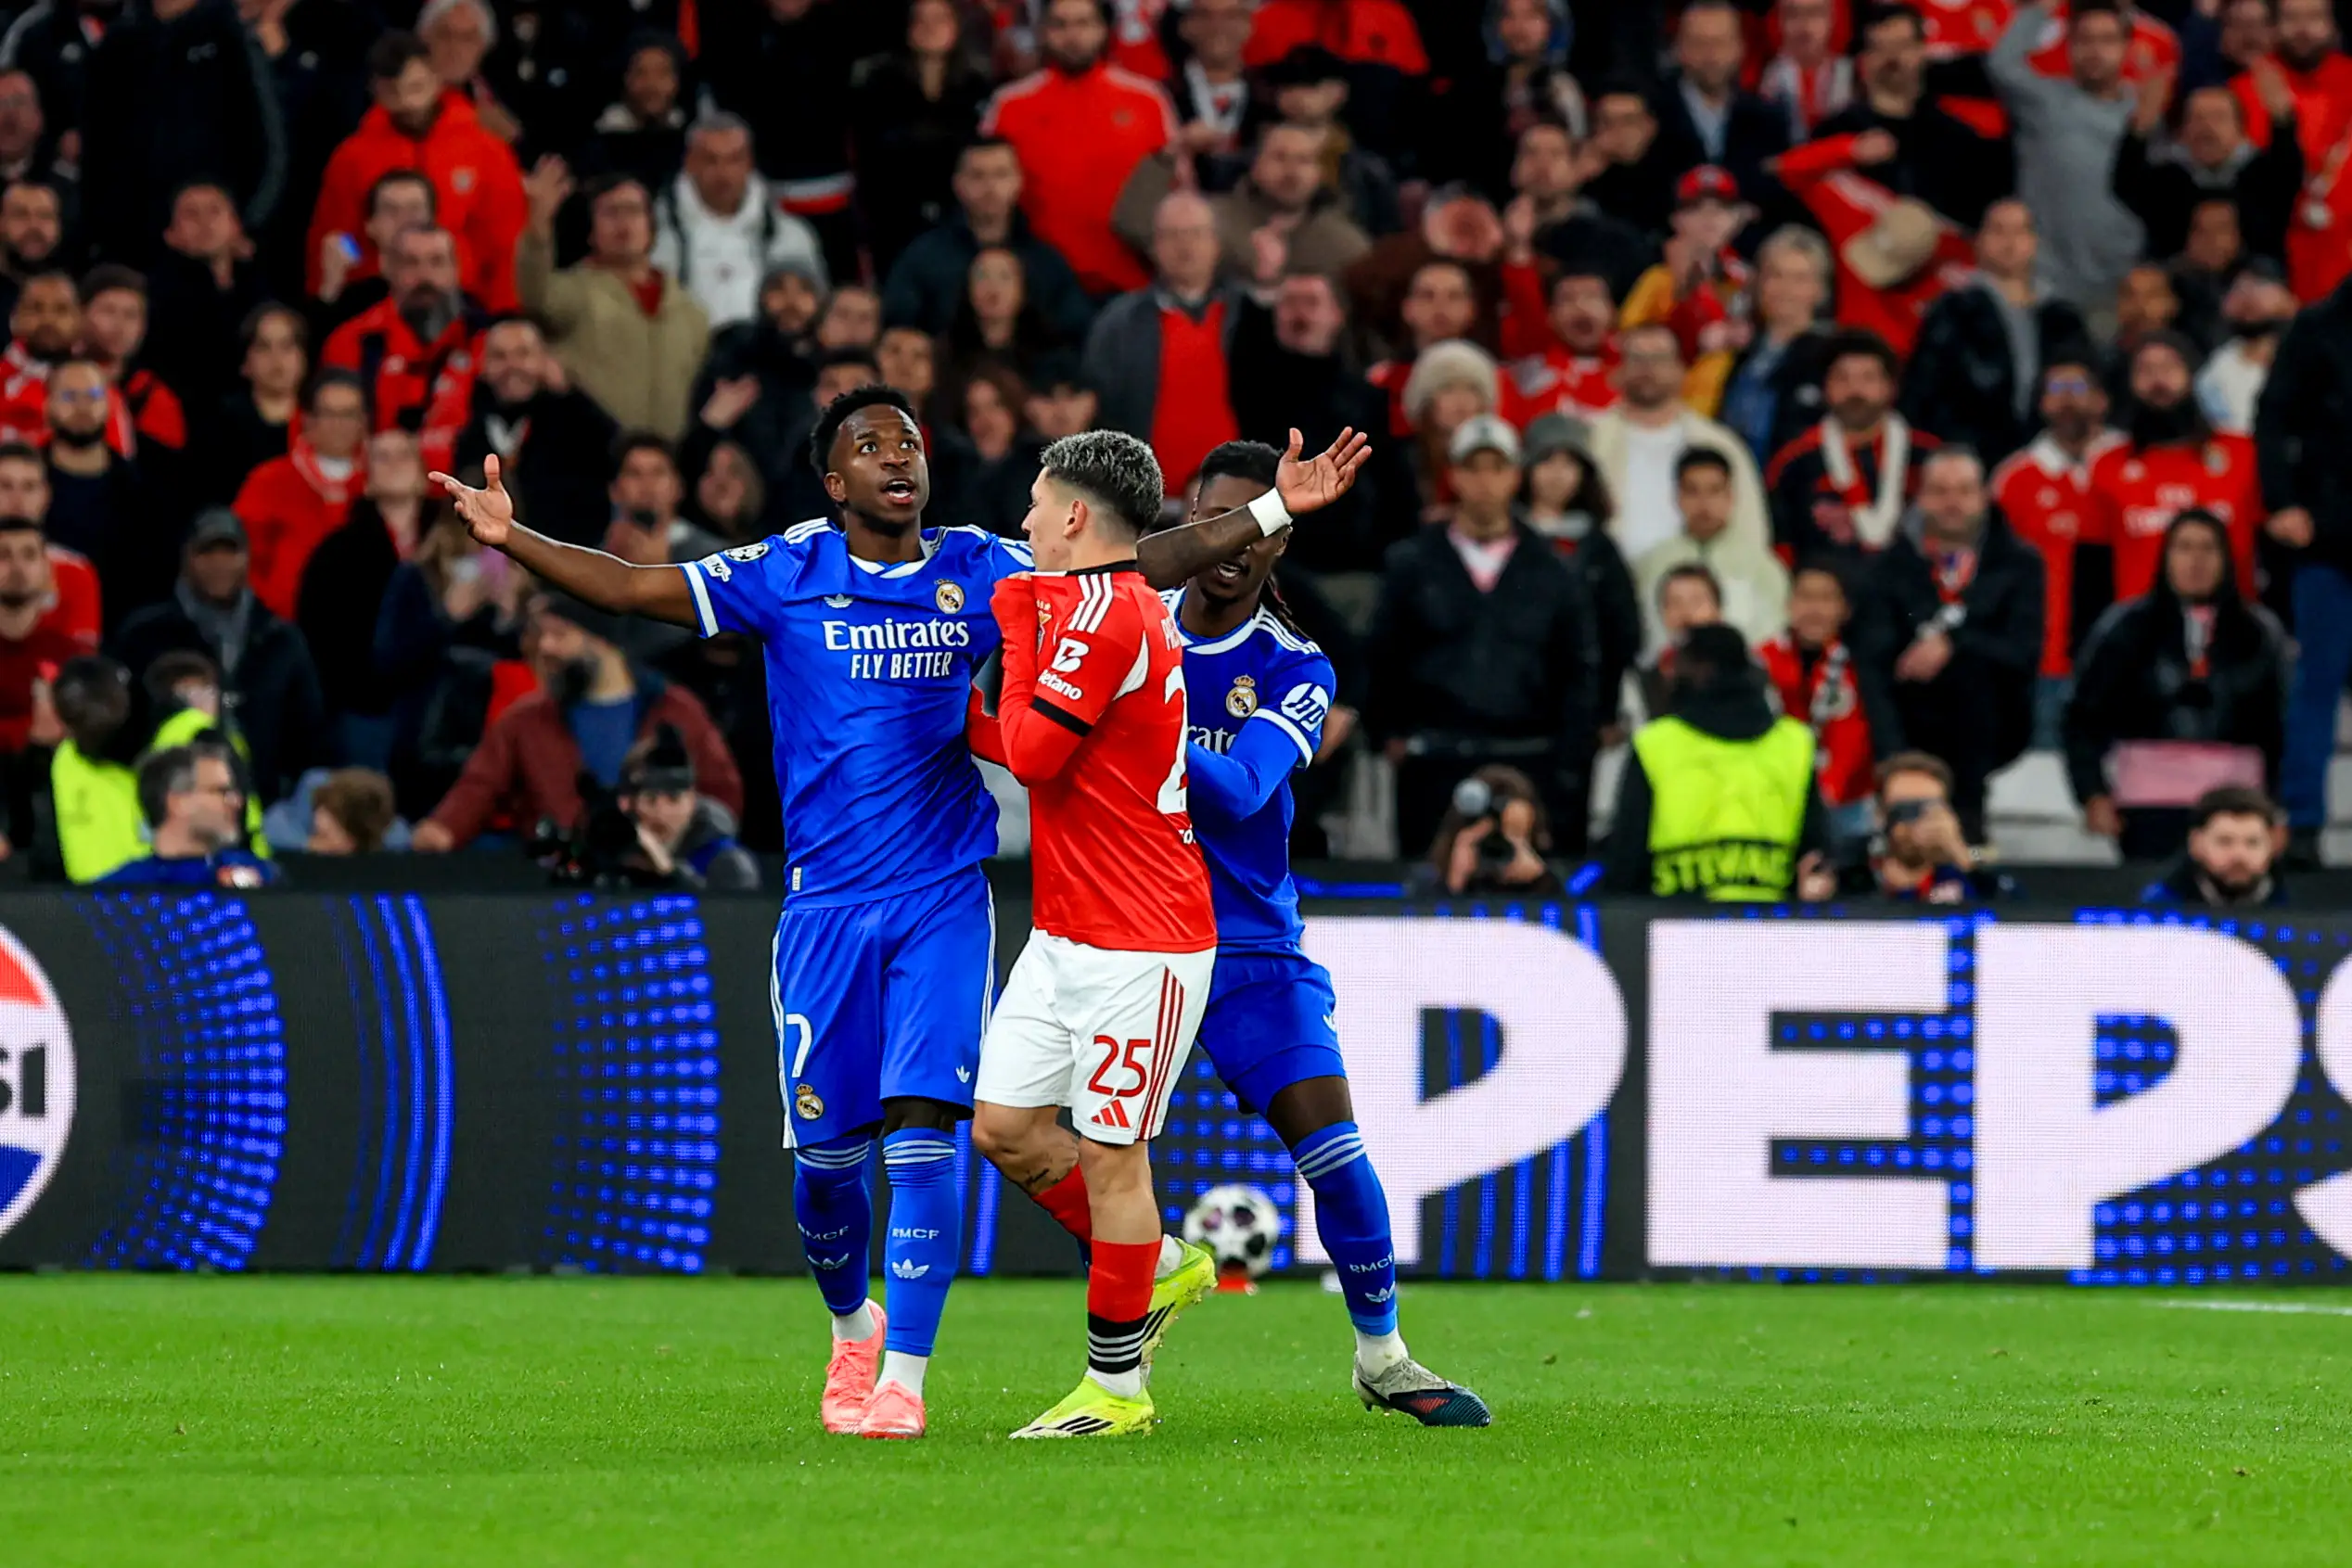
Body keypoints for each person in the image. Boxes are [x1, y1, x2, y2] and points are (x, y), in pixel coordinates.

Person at [427, 380, 1367, 1440]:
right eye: (870, 444)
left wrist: (1274, 511)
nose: (897, 455)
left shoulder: (978, 563)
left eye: (909, 439)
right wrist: (515, 539)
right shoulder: (786, 571)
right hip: (825, 907)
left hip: (941, 897)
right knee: (829, 1173)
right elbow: (636, 586)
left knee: (926, 1140)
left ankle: (905, 1383)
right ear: (835, 482)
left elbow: (1128, 561)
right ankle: (853, 1324)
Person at [1070, 436, 1488, 1419]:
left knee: (1334, 1148)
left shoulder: (1294, 665)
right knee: (1032, 1137)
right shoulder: (1126, 619)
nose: (1227, 542)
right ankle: (1133, 1330)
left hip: (1247, 946)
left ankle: (1382, 1355)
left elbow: (1244, 787)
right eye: (1210, 517)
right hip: (1125, 936)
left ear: (1278, 542)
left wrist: (1134, 714)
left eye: (1251, 524)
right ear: (1184, 522)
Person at [957, 429, 1227, 1440]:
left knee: (1117, 1162)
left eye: (1035, 502)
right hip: (1067, 928)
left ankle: (1115, 1389)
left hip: (1142, 939)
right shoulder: (1089, 607)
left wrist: (1017, 631)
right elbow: (1025, 744)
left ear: (1075, 515)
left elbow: (1028, 754)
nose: (1023, 521)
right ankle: (1156, 1263)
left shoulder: (1104, 615)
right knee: (1005, 1126)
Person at [1367, 414, 1598, 855]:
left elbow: (1577, 671)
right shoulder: (1412, 563)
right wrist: (1388, 734)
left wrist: (1570, 763)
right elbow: (1382, 655)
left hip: (1530, 759)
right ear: (1454, 475)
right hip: (1432, 760)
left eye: (1497, 468)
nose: (1485, 482)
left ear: (1516, 476)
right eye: (1473, 468)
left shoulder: (1554, 570)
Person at [2066, 508, 2288, 860]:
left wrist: (2278, 807)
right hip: (2147, 803)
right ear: (2166, 556)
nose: (2196, 561)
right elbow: (2082, 718)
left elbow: (2280, 729)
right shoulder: (2124, 627)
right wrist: (2092, 794)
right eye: (2184, 548)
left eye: (2208, 549)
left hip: (2239, 808)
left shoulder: (2261, 633)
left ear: (2227, 558)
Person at [1854, 447, 2047, 841]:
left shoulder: (2020, 564)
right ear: (1920, 497)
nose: (1952, 503)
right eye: (1939, 491)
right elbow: (1873, 663)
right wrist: (1893, 758)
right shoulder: (1887, 568)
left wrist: (1954, 643)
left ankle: (1971, 849)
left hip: (1992, 731)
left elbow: (2023, 653)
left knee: (1971, 672)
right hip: (1910, 728)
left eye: (1963, 491)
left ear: (1983, 497)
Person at [1602, 621, 1835, 902]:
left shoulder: (1655, 744)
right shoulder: (1794, 743)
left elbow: (1627, 858)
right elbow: (1816, 855)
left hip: (1672, 926)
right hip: (1771, 927)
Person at [109, 507, 326, 808]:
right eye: (207, 553)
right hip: (170, 804)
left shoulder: (281, 640)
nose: (219, 564)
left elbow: (309, 732)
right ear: (187, 557)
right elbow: (122, 722)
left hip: (266, 805)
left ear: (247, 558)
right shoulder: (145, 636)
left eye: (230, 552)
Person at [307, 32, 525, 313]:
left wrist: (504, 312)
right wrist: (359, 264)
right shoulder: (353, 157)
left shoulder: (486, 151)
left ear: (435, 79)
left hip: (464, 299)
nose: (408, 103)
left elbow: (505, 241)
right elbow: (338, 236)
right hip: (376, 298)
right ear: (376, 90)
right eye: (394, 92)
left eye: (416, 87)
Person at [980, 0, 1178, 298]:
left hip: (1133, 286)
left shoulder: (1148, 101)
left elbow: (1178, 194)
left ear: (1103, 30)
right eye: (1060, 25)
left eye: (1084, 23)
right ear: (1043, 31)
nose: (1072, 36)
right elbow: (984, 192)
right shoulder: (1009, 106)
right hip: (1036, 290)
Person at [2259, 268, 2352, 857]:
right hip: (2330, 537)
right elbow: (2272, 418)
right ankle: (2302, 821)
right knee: (2316, 680)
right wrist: (2282, 502)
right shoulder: (2318, 325)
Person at [517, 160, 709, 440]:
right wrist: (538, 225)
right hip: (593, 459)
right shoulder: (573, 292)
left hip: (669, 465)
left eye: (633, 211)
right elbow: (534, 295)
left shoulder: (691, 311)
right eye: (610, 213)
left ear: (651, 226)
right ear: (591, 230)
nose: (624, 223)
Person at [1991, 356, 2128, 736]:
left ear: (2103, 400)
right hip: (2044, 662)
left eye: (2078, 388)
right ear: (2040, 404)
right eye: (2055, 390)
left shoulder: (2132, 465)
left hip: (2124, 660)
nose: (2067, 399)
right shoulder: (2013, 479)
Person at [1081, 191, 1247, 499]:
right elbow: (1099, 413)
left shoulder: (1250, 317)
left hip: (1240, 504)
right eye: (1172, 236)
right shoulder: (1119, 324)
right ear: (1154, 247)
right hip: (1148, 507)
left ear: (1216, 244)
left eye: (1195, 234)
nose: (1185, 246)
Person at [1899, 199, 2091, 465]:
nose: (2009, 242)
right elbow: (1922, 394)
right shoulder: (1953, 311)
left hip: (2052, 462)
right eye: (1998, 230)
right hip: (1969, 460)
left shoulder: (2063, 319)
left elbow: (2086, 388)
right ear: (1979, 241)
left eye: (2020, 231)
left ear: (2034, 242)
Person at [2087, 331, 2265, 603]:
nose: (2158, 380)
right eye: (2145, 370)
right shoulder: (2107, 465)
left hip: (2233, 631)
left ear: (2192, 376)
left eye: (2170, 367)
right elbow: (2093, 571)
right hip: (2142, 635)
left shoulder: (2242, 453)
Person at [1988, 0, 2142, 312]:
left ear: (2126, 47)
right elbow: (2001, 64)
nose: (2095, 51)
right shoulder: (2043, 102)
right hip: (2046, 282)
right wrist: (2041, 9)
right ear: (2069, 46)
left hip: (2120, 283)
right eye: (2084, 40)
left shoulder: (2143, 114)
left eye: (2107, 40)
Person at [878, 136, 1096, 343]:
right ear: (958, 184)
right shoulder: (924, 259)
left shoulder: (1046, 262)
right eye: (977, 176)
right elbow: (899, 330)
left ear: (1018, 181)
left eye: (1000, 174)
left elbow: (1074, 333)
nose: (990, 187)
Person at [1588, 324, 1768, 565]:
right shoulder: (1591, 439)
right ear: (1619, 370)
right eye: (1637, 359)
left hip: (1696, 590)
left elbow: (1749, 526)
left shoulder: (1720, 444)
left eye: (1659, 358)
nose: (1648, 368)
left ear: (1681, 370)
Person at [1767, 328, 1941, 560]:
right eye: (1842, 378)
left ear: (1891, 387)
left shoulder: (1929, 457)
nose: (1855, 390)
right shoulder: (1793, 461)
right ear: (1825, 388)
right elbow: (1780, 545)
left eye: (1868, 378)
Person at [651, 114, 828, 333]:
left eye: (734, 159)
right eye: (711, 160)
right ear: (690, 162)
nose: (723, 173)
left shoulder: (791, 236)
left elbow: (814, 313)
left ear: (749, 163)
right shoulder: (654, 238)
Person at [2113, 69, 2303, 269]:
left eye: (2218, 117)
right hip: (2177, 287)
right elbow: (2125, 184)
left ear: (2240, 129)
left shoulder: (2262, 174)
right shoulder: (2168, 178)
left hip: (2253, 286)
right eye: (2197, 118)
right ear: (2182, 131)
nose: (2207, 127)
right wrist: (2139, 128)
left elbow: (2288, 172)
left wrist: (2283, 122)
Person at [320, 224, 486, 438]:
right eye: (411, 263)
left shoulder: (484, 339)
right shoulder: (351, 341)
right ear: (389, 269)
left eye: (437, 262)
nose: (425, 276)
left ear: (456, 270)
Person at [231, 370, 366, 620]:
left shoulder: (378, 484)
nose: (339, 424)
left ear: (364, 421)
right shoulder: (269, 481)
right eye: (329, 414)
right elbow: (244, 559)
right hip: (284, 628)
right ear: (308, 419)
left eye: (349, 414)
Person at [1758, 562, 1877, 843]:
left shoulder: (1862, 663)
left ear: (1844, 609)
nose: (1815, 609)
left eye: (1826, 598)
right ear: (1789, 603)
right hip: (1776, 797)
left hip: (1847, 801)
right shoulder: (1760, 661)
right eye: (1806, 597)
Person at [1634, 447, 1789, 653]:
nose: (1704, 503)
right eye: (1692, 491)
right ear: (1677, 497)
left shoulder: (1762, 567)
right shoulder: (1652, 564)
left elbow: (1774, 634)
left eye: (1714, 491)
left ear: (1731, 497)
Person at [97, 742, 278, 887]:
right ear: (177, 802)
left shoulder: (262, 876)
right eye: (221, 791)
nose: (237, 801)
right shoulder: (118, 893)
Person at [618, 725, 758, 892]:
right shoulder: (617, 858)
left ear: (693, 800)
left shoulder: (729, 865)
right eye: (651, 799)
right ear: (629, 804)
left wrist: (671, 873)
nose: (662, 812)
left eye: (674, 799)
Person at [1861, 750, 2013, 901]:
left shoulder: (1963, 878)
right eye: (1906, 810)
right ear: (1880, 814)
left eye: (1929, 808)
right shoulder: (1858, 876)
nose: (1918, 821)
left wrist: (1961, 855)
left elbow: (2018, 913)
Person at [2142, 784, 2288, 905]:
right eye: (2225, 842)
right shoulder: (2159, 906)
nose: (2239, 854)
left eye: (2252, 842)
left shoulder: (2300, 903)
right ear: (2196, 844)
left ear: (2273, 845)